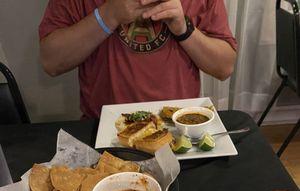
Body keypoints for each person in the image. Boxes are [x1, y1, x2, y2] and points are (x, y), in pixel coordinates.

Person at [39, 0, 237, 119]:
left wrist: (183, 29)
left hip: (179, 126)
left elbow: (224, 67)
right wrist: (110, 15)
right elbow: (52, 62)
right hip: (103, 129)